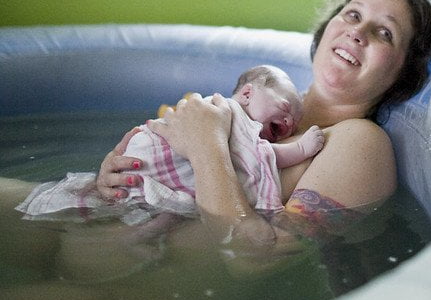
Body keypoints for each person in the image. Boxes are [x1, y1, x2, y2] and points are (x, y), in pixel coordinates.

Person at [96, 0, 431, 247]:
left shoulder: (358, 143)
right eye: (352, 14)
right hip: (99, 218)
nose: (358, 32)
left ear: (404, 73)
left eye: (385, 33)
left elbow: (256, 256)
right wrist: (118, 170)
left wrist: (207, 145)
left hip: (132, 295)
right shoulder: (261, 102)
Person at [16, 65, 325, 223]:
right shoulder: (227, 112)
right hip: (129, 186)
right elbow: (263, 155)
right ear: (246, 94)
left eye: (292, 127)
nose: (288, 127)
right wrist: (300, 149)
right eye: (285, 111)